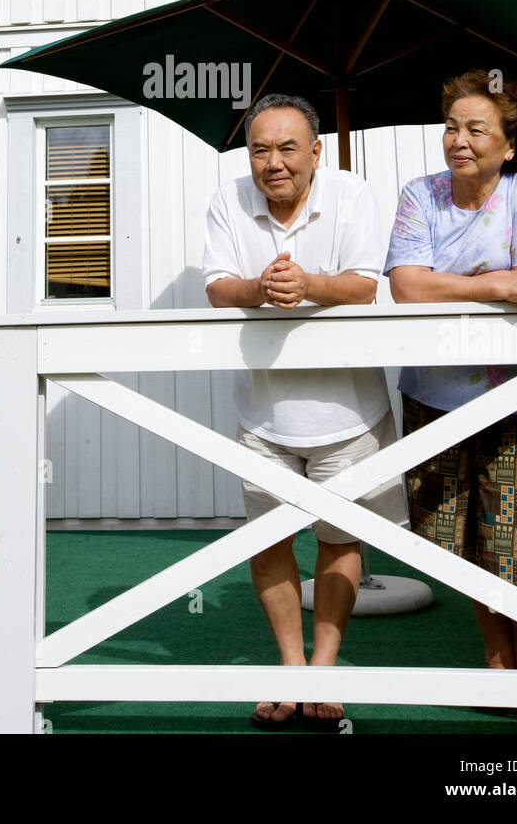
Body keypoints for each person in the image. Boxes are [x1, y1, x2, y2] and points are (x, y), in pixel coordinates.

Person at [203, 93, 407, 731]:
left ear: (316, 152)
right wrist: (260, 287)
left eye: (288, 147)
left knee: (340, 540)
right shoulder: (226, 200)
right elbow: (216, 286)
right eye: (259, 148)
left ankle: (323, 668)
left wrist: (310, 285)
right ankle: (291, 670)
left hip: (350, 410)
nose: (273, 162)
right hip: (263, 413)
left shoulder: (351, 195)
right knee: (270, 544)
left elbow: (366, 284)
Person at [384, 69, 517, 729]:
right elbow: (407, 287)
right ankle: (498, 667)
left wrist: (454, 278)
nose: (456, 141)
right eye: (450, 127)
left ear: (509, 140)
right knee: (445, 540)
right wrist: (496, 282)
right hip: (430, 397)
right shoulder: (421, 194)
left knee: (515, 549)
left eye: (474, 129)